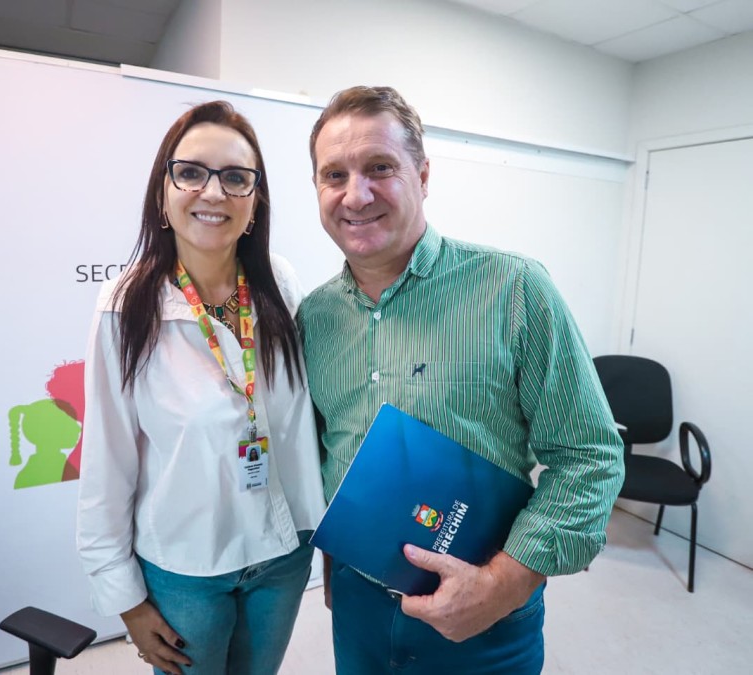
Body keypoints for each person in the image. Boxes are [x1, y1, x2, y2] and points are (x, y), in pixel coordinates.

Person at [297, 85, 625, 675]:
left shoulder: (514, 289)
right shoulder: (315, 318)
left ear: (423, 176)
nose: (356, 194)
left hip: (488, 613)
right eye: (334, 175)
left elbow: (590, 455)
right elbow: (328, 451)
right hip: (358, 604)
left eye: (380, 167)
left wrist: (505, 583)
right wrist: (333, 562)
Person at [77, 100, 325, 675]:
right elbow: (107, 461)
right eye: (190, 172)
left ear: (255, 201)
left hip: (284, 553)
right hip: (187, 567)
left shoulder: (279, 283)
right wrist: (125, 598)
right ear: (163, 192)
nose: (213, 192)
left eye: (236, 178)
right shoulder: (125, 307)